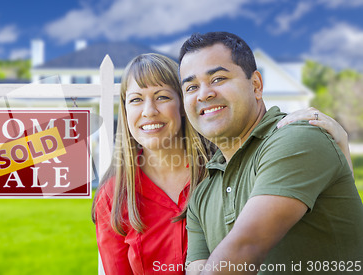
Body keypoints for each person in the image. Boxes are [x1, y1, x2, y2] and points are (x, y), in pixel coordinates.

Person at [92, 53, 353, 275]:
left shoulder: (223, 168)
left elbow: (327, 219)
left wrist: (339, 145)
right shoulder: (113, 196)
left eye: (162, 97)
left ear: (183, 104)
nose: (148, 110)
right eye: (136, 99)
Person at [179, 32, 363, 274]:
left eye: (218, 78)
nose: (204, 94)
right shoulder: (201, 195)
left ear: (256, 85)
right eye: (191, 87)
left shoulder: (297, 137)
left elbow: (246, 246)